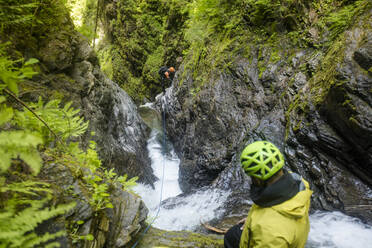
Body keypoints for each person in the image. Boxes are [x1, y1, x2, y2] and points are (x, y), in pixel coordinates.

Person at [224, 141, 312, 248]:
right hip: (292, 235)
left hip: (273, 234)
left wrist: (262, 223)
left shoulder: (270, 234)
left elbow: (272, 228)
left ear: (257, 179)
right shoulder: (299, 184)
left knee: (231, 238)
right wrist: (253, 219)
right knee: (233, 234)